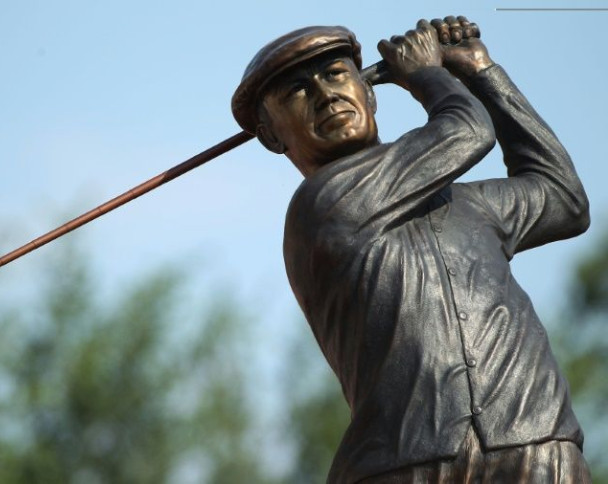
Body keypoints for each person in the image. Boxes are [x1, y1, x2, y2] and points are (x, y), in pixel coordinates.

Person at [231, 16, 592, 483]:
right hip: (406, 464)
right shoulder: (322, 207)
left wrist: (483, 72)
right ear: (270, 134)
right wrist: (426, 73)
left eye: (337, 74)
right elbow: (466, 132)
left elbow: (561, 196)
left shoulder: (469, 206)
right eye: (298, 90)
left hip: (537, 443)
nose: (325, 94)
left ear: (370, 91)